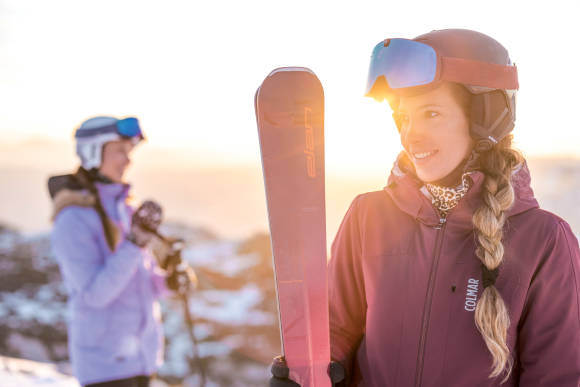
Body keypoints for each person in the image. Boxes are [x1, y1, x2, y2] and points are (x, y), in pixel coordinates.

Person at [271, 29, 580, 386]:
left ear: (485, 117)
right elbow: (337, 327)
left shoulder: (544, 241)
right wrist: (317, 370)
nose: (410, 134)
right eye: (404, 117)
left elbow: (557, 376)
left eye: (431, 114)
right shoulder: (367, 217)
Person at [49, 116, 171, 387]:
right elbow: (94, 294)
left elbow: (142, 281)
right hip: (105, 368)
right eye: (119, 151)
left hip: (143, 359)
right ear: (92, 153)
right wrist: (133, 244)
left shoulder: (125, 208)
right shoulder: (73, 218)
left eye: (128, 152)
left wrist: (169, 281)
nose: (127, 160)